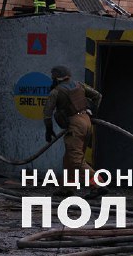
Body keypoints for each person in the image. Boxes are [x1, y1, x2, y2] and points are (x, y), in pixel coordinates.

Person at [43, 65, 103, 196]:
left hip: (75, 125)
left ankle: (98, 185)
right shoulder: (79, 85)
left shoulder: (56, 92)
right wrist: (93, 114)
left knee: (75, 160)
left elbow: (47, 114)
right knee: (69, 159)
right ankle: (68, 188)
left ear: (56, 78)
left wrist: (49, 130)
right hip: (86, 122)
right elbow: (98, 96)